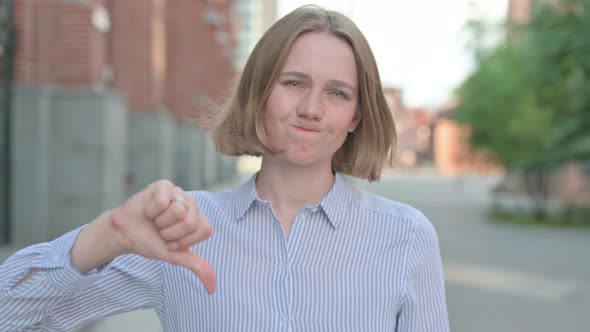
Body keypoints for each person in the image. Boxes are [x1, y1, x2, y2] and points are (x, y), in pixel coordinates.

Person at [0, 5, 449, 331]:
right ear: (257, 93)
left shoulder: (406, 237)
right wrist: (107, 234)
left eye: (337, 93)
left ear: (355, 117)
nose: (312, 108)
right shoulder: (182, 231)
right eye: (293, 83)